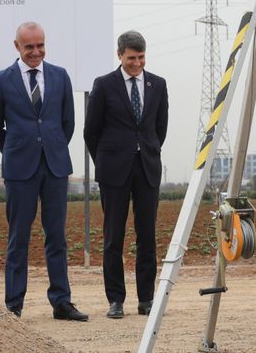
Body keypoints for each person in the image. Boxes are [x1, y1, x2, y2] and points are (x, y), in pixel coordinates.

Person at [0, 22, 88, 321]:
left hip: (55, 166)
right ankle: (13, 305)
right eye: (29, 46)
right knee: (18, 237)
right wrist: (18, 149)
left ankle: (61, 302)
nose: (35, 51)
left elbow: (67, 123)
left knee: (56, 237)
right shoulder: (2, 80)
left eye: (40, 45)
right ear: (16, 46)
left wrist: (50, 147)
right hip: (20, 169)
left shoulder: (60, 76)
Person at [84, 31, 169, 319]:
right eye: (131, 58)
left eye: (141, 57)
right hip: (113, 171)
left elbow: (160, 129)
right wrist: (105, 161)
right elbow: (91, 131)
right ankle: (116, 300)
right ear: (119, 55)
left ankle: (146, 299)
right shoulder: (104, 85)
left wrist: (147, 150)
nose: (137, 63)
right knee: (113, 237)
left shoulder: (158, 84)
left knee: (147, 236)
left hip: (147, 169)